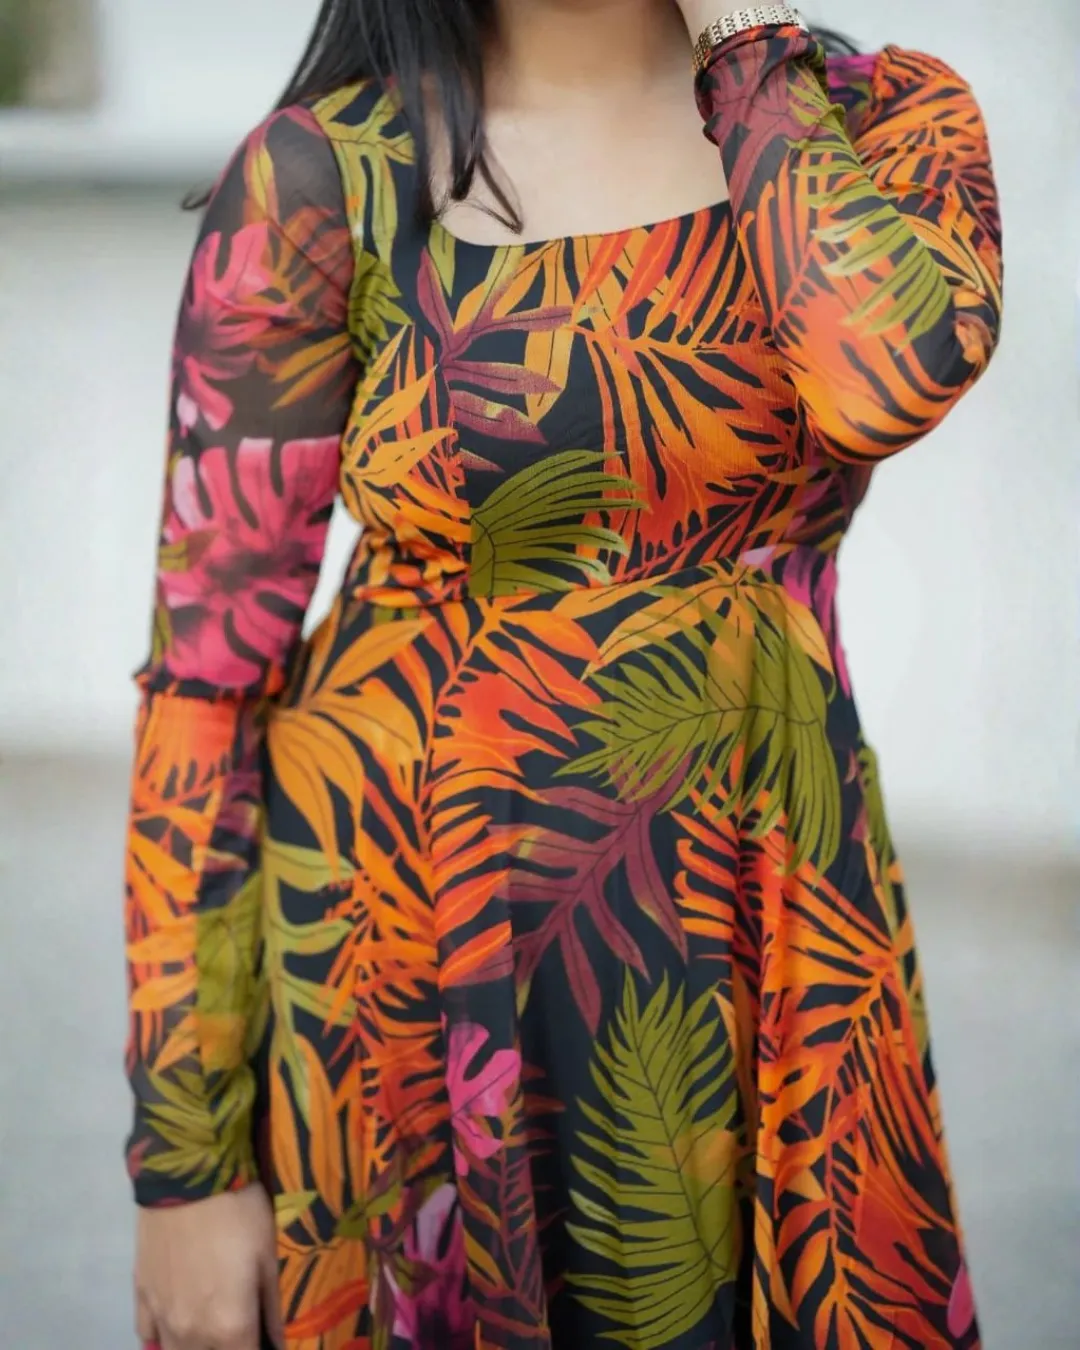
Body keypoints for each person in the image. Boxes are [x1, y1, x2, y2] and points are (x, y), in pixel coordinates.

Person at [124, 1, 1002, 1346]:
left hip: (768, 937)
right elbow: (206, 687)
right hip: (397, 972)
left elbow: (880, 380)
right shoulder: (328, 173)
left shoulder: (878, 120)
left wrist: (744, 47)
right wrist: (185, 1163)